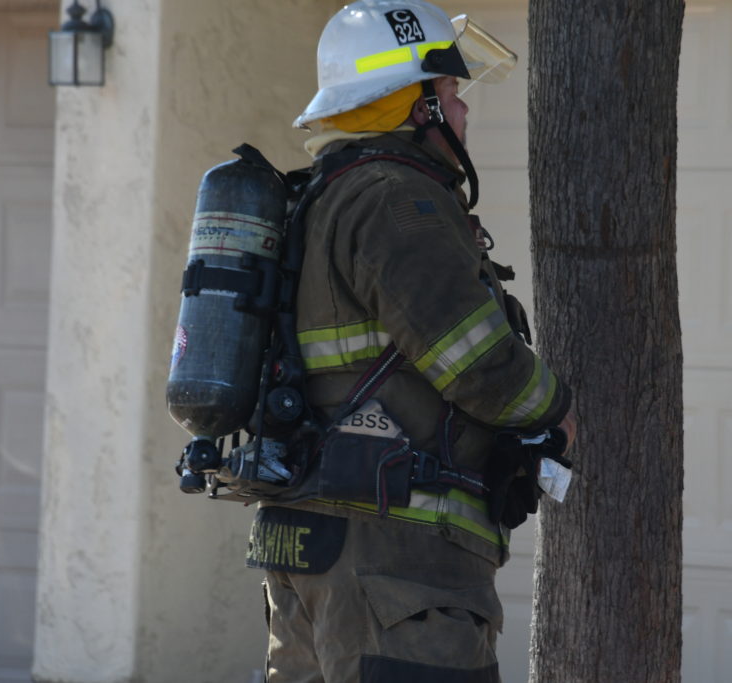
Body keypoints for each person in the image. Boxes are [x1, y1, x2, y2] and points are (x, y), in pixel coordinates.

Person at [245, 2, 576, 681]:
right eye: (450, 91)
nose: (463, 110)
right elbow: (478, 363)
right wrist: (557, 412)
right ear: (413, 105)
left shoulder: (324, 197)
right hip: (397, 567)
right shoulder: (397, 199)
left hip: (310, 545)